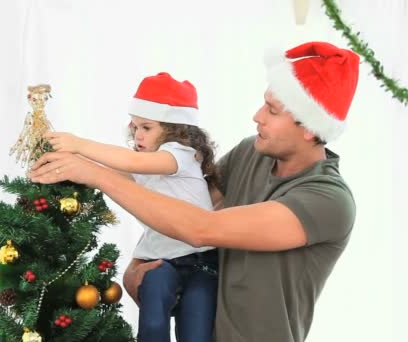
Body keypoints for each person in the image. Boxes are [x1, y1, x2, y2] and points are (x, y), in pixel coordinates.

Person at [30, 41, 360, 342]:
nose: (257, 116)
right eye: (264, 104)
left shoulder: (327, 200)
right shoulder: (252, 153)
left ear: (310, 128)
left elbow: (202, 228)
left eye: (272, 111)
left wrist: (97, 174)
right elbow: (178, 202)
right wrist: (140, 264)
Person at [45, 72, 219, 342]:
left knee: (196, 335)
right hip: (159, 262)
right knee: (151, 329)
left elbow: (127, 163)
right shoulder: (146, 161)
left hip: (201, 264)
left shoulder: (179, 155)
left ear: (175, 129)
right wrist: (72, 158)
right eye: (135, 127)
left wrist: (79, 144)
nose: (137, 135)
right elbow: (114, 173)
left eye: (146, 127)